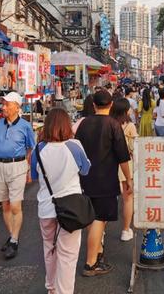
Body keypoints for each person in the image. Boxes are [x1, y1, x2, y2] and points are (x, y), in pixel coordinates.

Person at [31, 108, 91, 294]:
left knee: (49, 249)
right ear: (67, 125)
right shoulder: (74, 146)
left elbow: (34, 175)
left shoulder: (38, 149)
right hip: (71, 207)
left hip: (46, 207)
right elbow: (86, 170)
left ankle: (51, 288)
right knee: (68, 254)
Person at [75, 90, 132, 276]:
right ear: (111, 105)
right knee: (99, 218)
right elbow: (123, 156)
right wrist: (129, 179)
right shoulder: (113, 125)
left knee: (93, 218)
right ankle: (91, 263)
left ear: (93, 105)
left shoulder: (83, 124)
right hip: (105, 179)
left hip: (85, 177)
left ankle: (97, 253)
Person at [0, 92, 35, 260]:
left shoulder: (26, 126)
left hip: (18, 166)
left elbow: (30, 149)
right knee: (4, 205)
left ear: (17, 107)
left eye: (7, 104)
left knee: (15, 206)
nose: (3, 107)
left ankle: (13, 239)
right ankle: (13, 237)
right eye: (3, 104)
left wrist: (28, 170)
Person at [110, 98, 137, 242]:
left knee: (106, 199)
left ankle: (100, 232)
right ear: (126, 111)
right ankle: (126, 230)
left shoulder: (109, 123)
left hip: (109, 166)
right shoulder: (130, 126)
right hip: (126, 166)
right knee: (128, 199)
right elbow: (133, 148)